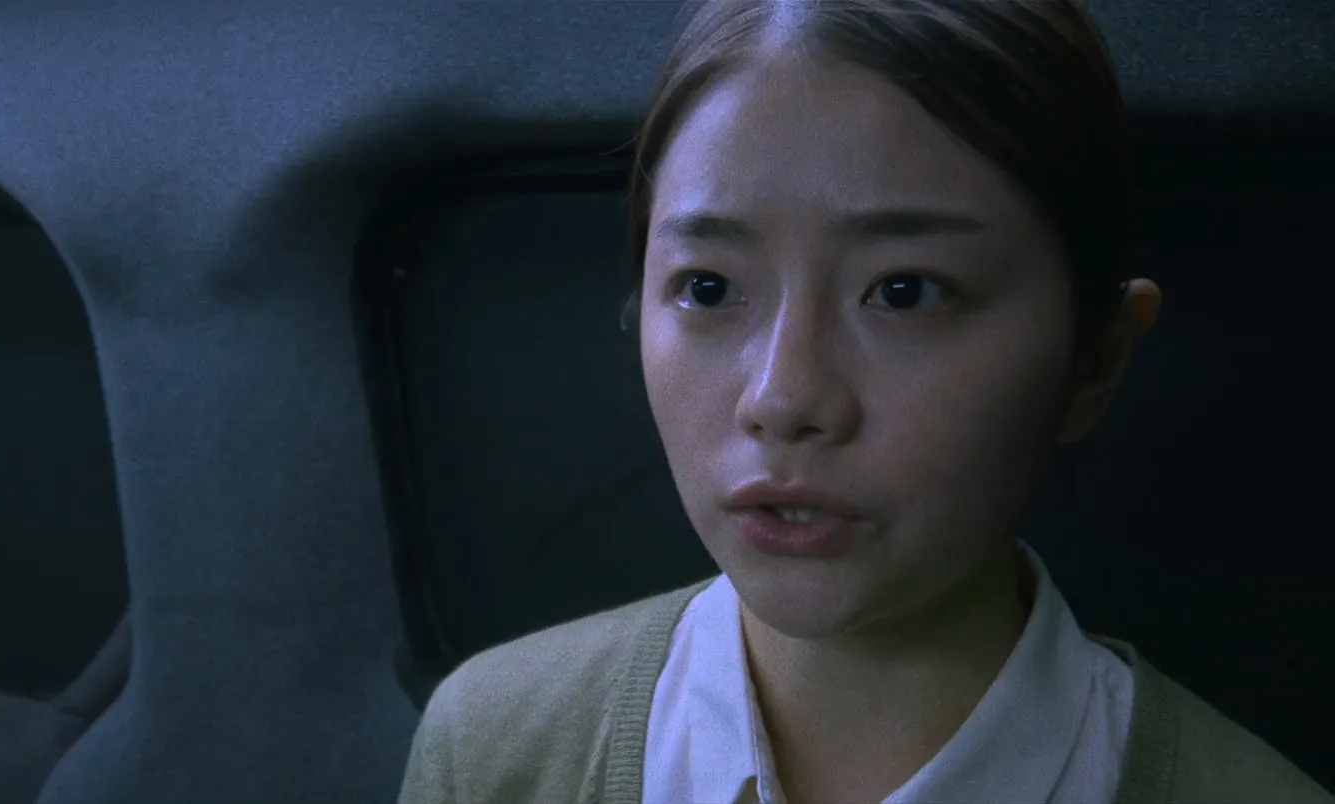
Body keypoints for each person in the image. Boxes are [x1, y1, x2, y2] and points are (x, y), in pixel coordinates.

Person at [396, 1, 1333, 802]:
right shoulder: (495, 751)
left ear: (1095, 358)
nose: (783, 398)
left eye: (905, 292)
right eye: (709, 288)